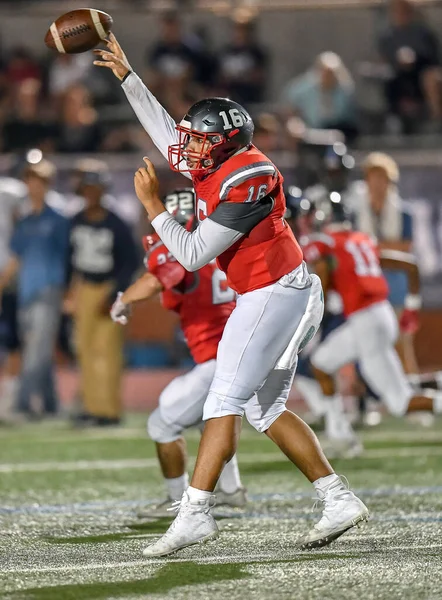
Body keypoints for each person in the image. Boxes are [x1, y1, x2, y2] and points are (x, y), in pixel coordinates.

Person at [94, 33, 369, 557]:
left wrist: (154, 205)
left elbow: (194, 253)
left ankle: (196, 513)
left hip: (274, 291)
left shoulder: (249, 174)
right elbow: (162, 127)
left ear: (222, 144)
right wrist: (128, 76)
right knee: (265, 410)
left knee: (223, 400)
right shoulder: (218, 160)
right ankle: (337, 499)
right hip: (276, 290)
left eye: (198, 140)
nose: (187, 147)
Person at [111, 187, 246, 514]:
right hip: (237, 351)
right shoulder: (220, 243)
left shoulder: (180, 248)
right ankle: (231, 491)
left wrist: (124, 299)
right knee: (211, 420)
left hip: (217, 359)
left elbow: (162, 278)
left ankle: (178, 499)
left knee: (162, 424)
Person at [302, 194, 442, 431]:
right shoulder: (362, 239)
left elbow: (323, 274)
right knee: (320, 363)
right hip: (378, 314)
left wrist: (314, 311)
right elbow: (409, 264)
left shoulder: (326, 242)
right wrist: (412, 305)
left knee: (400, 402)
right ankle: (339, 434)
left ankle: (340, 433)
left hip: (365, 320)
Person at [66, 159, 138, 426]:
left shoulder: (117, 223)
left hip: (108, 287)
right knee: (84, 351)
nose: (91, 193)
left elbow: (129, 263)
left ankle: (109, 411)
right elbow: (69, 259)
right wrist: (69, 292)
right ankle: (90, 407)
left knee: (107, 353)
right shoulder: (75, 220)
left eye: (95, 188)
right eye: (87, 188)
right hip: (84, 287)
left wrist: (112, 295)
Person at [0, 159, 69, 418]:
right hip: (25, 293)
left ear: (46, 185)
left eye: (37, 181)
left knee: (35, 351)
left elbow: (67, 258)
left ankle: (22, 404)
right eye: (29, 181)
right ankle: (52, 405)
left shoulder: (59, 220)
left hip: (50, 290)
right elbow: (15, 260)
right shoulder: (25, 222)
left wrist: (68, 292)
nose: (32, 186)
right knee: (39, 350)